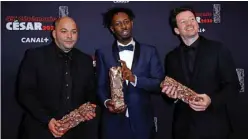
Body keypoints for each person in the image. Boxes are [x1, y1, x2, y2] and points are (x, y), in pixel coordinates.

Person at [162, 6, 240, 139]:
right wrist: (171, 95)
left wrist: (211, 100)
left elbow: (233, 86)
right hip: (183, 129)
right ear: (176, 30)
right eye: (183, 22)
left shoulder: (218, 49)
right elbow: (170, 95)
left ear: (197, 23)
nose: (189, 23)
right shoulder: (171, 57)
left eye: (192, 19)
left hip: (214, 126)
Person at [17, 16, 97, 139]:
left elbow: (91, 93)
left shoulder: (85, 60)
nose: (70, 36)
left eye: (73, 32)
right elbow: (25, 92)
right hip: (39, 129)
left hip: (76, 132)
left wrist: (88, 109)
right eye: (64, 31)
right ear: (54, 34)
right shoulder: (35, 56)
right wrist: (47, 120)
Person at [95, 7, 164, 139]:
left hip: (142, 122)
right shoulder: (103, 53)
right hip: (112, 123)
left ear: (132, 23)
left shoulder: (149, 51)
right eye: (118, 23)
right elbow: (100, 86)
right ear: (112, 28)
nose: (123, 26)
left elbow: (159, 84)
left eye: (126, 21)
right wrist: (107, 102)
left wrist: (134, 79)